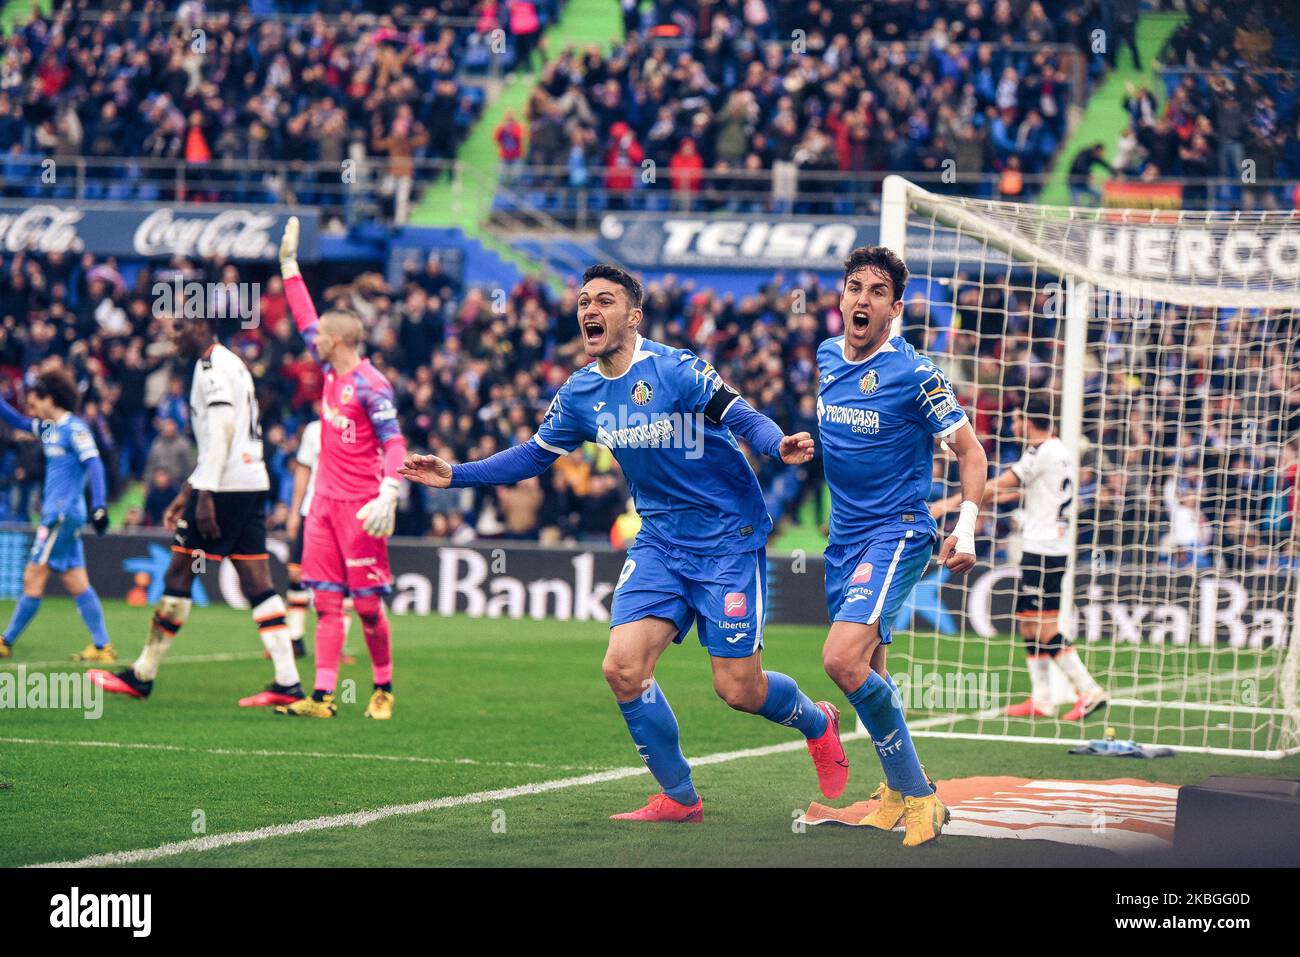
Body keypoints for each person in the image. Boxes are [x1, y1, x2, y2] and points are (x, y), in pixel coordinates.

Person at [402, 263, 848, 822]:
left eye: (605, 301)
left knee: (738, 689)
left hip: (727, 541)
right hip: (660, 541)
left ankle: (817, 721)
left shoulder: (676, 368)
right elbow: (535, 454)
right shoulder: (581, 392)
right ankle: (680, 797)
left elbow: (736, 411)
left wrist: (776, 444)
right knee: (622, 669)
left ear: (633, 316)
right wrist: (457, 474)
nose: (590, 309)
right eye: (585, 300)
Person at [816, 246, 987, 847]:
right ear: (842, 297)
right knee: (869, 671)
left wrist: (964, 528)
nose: (862, 299)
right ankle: (892, 791)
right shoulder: (826, 356)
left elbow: (971, 452)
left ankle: (921, 796)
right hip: (844, 538)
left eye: (877, 291)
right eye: (854, 287)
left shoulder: (917, 374)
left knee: (839, 660)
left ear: (895, 306)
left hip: (898, 531)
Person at [89, 315, 305, 706]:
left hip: (225, 486)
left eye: (181, 330)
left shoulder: (210, 368)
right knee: (256, 579)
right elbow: (218, 440)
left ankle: (142, 675)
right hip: (249, 480)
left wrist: (204, 494)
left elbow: (221, 429)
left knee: (180, 571)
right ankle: (288, 682)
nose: (174, 339)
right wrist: (188, 489)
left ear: (203, 328)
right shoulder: (232, 362)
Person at [276, 217, 408, 720]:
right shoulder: (332, 368)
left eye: (320, 340)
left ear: (337, 342)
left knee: (369, 607)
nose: (313, 343)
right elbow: (304, 313)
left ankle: (383, 686)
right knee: (326, 602)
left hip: (361, 508)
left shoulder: (373, 386)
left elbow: (394, 443)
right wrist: (289, 267)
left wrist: (389, 491)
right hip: (324, 506)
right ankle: (323, 697)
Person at [934, 396, 1107, 721]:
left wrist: (949, 504)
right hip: (1043, 548)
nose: (1012, 425)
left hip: (1045, 551)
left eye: (1015, 419)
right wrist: (990, 496)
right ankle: (1042, 699)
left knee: (1042, 626)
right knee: (1028, 620)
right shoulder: (1054, 452)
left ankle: (1088, 690)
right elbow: (1023, 491)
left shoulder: (1043, 452)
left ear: (1027, 421)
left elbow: (998, 483)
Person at [0, 369, 112, 661]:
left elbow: (95, 465)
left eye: (35, 403)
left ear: (49, 399)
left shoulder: (75, 430)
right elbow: (19, 421)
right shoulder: (51, 429)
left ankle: (6, 641)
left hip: (61, 515)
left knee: (33, 575)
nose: (32, 409)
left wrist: (100, 505)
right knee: (76, 581)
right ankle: (103, 647)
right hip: (63, 516)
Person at [284, 417, 356, 663]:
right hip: (311, 509)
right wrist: (294, 511)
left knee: (344, 578)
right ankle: (294, 639)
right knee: (296, 573)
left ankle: (338, 646)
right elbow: (303, 469)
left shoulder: (362, 428)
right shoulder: (314, 429)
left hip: (348, 512)